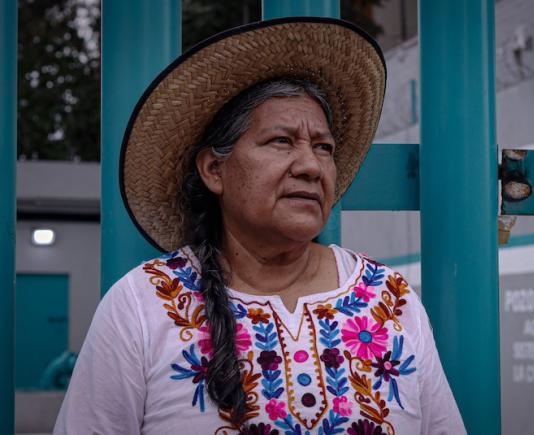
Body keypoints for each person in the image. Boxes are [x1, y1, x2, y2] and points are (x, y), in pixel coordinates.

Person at [54, 17, 465, 435]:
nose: (310, 166)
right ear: (215, 169)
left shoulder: (389, 299)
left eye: (323, 147)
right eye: (281, 141)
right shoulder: (143, 305)